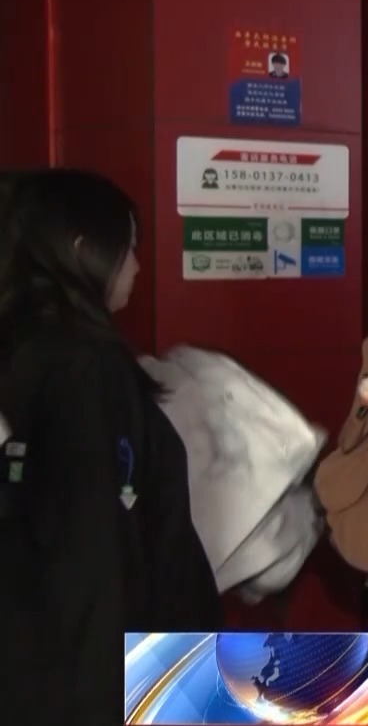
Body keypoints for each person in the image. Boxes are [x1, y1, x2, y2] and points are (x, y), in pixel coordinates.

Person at [0, 169, 221, 726]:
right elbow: (95, 553)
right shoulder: (85, 368)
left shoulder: (25, 348)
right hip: (106, 681)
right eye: (129, 249)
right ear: (83, 251)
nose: (139, 267)